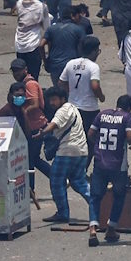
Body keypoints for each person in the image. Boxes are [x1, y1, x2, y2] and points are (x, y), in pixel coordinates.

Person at [86, 94, 131, 247]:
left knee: (95, 197)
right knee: (119, 195)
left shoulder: (102, 114)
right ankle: (111, 228)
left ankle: (93, 229)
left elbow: (90, 134)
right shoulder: (127, 117)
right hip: (118, 165)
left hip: (100, 162)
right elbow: (129, 135)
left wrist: (99, 148)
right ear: (129, 107)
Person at [39, 86, 91, 224]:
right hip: (81, 151)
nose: (51, 103)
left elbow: (54, 125)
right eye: (50, 100)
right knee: (79, 182)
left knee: (56, 181)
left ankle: (62, 213)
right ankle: (99, 207)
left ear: (62, 99)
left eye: (54, 99)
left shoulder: (63, 110)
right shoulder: (73, 109)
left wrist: (42, 133)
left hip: (67, 152)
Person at [59, 35, 104, 138]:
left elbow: (61, 82)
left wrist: (71, 91)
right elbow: (95, 86)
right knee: (90, 138)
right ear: (93, 51)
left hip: (72, 107)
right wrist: (101, 97)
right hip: (89, 108)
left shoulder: (71, 63)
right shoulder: (93, 66)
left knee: (74, 136)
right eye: (97, 51)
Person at [42, 6, 87, 87]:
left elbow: (41, 45)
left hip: (55, 65)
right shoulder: (78, 30)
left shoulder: (51, 28)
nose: (80, 19)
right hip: (72, 65)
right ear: (72, 15)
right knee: (72, 93)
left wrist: (45, 61)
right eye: (78, 16)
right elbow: (83, 48)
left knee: (58, 92)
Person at [15, 0, 51, 79]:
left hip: (20, 46)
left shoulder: (19, 4)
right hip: (33, 45)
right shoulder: (42, 6)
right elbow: (47, 27)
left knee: (21, 76)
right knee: (33, 76)